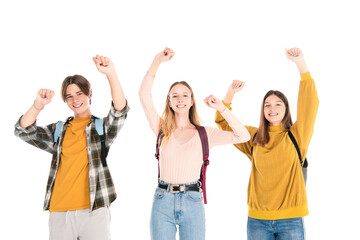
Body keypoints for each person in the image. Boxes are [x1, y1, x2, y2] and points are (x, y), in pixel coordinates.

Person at [139, 47, 251, 240]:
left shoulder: (205, 134)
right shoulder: (161, 129)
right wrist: (157, 61)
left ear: (192, 101)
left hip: (193, 200)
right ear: (169, 102)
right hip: (162, 199)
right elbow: (143, 94)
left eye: (185, 95)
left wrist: (221, 108)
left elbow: (243, 136)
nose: (180, 99)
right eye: (175, 95)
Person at [14, 55, 129, 240]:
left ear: (89, 93)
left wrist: (110, 74)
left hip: (94, 210)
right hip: (60, 213)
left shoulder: (100, 128)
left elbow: (119, 111)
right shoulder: (59, 130)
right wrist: (38, 106)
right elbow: (23, 131)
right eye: (69, 96)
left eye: (79, 94)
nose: (75, 100)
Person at [215, 48, 319, 240]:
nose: (272, 108)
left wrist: (301, 64)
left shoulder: (297, 135)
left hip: (291, 219)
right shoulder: (254, 137)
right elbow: (224, 125)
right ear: (262, 110)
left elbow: (309, 104)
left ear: (286, 109)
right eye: (267, 105)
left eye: (278, 104)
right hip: (257, 220)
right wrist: (230, 94)